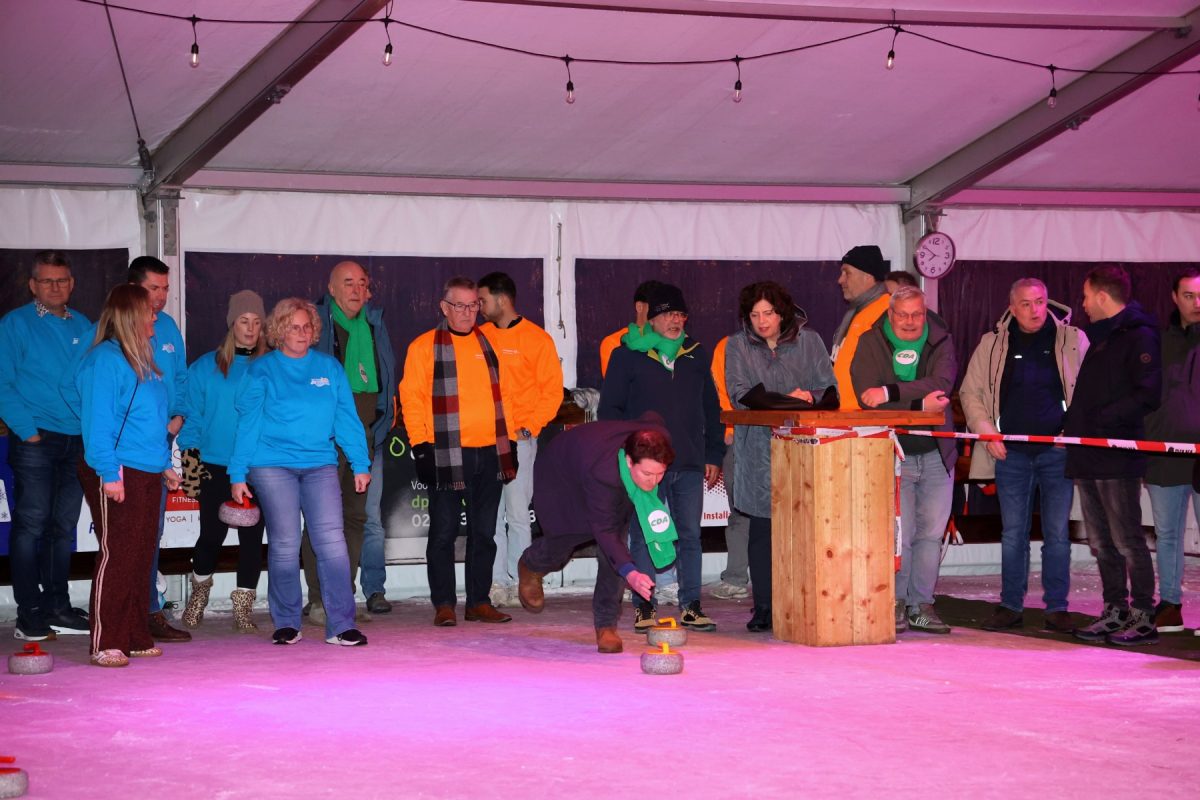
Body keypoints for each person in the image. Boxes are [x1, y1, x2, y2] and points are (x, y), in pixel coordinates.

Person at [229, 297, 371, 647]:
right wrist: (237, 473)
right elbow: (247, 422)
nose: (302, 332)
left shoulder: (329, 368)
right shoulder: (261, 370)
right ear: (279, 330)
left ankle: (341, 625)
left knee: (332, 542)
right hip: (272, 464)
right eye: (294, 327)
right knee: (285, 542)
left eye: (307, 326)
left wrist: (360, 463)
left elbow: (347, 419)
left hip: (320, 463)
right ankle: (287, 623)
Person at [959, 278, 1088, 634]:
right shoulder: (991, 344)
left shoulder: (1073, 340)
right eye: (1027, 304)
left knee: (1057, 534)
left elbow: (1091, 391)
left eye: (1040, 301)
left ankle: (1058, 608)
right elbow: (970, 393)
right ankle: (1010, 606)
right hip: (1010, 455)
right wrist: (987, 431)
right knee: (1013, 533)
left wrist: (1072, 431)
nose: (1035, 310)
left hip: (1058, 453)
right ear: (1012, 308)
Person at [599, 282, 725, 632]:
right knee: (643, 534)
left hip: (689, 460)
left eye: (681, 314)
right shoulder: (626, 355)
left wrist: (714, 453)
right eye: (667, 314)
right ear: (651, 318)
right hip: (645, 467)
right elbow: (609, 412)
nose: (675, 320)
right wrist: (626, 458)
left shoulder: (696, 354)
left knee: (690, 535)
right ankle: (644, 607)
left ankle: (692, 605)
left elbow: (711, 408)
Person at [399, 277, 518, 627]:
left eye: (473, 305)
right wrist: (420, 446)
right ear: (444, 307)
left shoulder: (489, 343)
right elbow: (412, 399)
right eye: (459, 305)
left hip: (490, 451)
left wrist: (510, 440)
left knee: (484, 533)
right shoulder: (423, 347)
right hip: (446, 453)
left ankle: (479, 601)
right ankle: (444, 604)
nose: (467, 312)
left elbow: (505, 397)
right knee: (443, 533)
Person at [75, 284, 180, 667]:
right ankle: (106, 640)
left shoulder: (145, 361)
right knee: (118, 554)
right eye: (149, 311)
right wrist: (109, 473)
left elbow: (150, 423)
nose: (155, 316)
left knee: (140, 554)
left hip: (147, 470)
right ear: (131, 316)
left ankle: (134, 636)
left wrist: (164, 464)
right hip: (117, 469)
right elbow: (98, 424)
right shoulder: (104, 360)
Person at [725, 282, 836, 632]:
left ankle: (804, 604)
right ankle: (764, 607)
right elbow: (742, 395)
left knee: (805, 531)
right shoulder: (737, 345)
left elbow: (830, 392)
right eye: (754, 315)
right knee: (762, 531)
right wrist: (795, 400)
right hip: (757, 451)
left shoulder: (810, 342)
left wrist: (808, 398)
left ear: (782, 312)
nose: (762, 321)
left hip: (804, 450)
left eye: (768, 313)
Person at [850, 286, 957, 634]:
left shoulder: (941, 339)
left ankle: (921, 605)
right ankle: (895, 602)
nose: (910, 321)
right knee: (900, 535)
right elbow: (866, 397)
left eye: (917, 314)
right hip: (894, 455)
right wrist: (918, 405)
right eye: (903, 315)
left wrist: (889, 392)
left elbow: (941, 384)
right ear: (890, 314)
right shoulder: (870, 342)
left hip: (938, 454)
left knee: (931, 535)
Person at [1064, 265, 1162, 646]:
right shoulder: (1101, 336)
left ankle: (1143, 615)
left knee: (1127, 539)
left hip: (1117, 455)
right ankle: (1114, 609)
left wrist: (1103, 420)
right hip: (1088, 453)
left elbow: (1148, 394)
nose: (1084, 304)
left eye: (1087, 296)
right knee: (1101, 541)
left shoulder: (1138, 335)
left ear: (1103, 296)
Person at [515, 417, 669, 653]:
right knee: (564, 541)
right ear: (629, 461)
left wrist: (624, 566)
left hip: (599, 464)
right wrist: (631, 573)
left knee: (614, 554)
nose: (654, 481)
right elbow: (604, 530)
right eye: (648, 474)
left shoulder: (659, 441)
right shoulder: (604, 475)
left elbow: (652, 415)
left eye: (660, 474)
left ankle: (606, 624)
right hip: (561, 474)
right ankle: (530, 564)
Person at [0, 251, 93, 640]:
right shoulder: (15, 324)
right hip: (36, 439)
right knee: (31, 525)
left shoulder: (84, 324)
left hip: (78, 440)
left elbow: (92, 381)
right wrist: (28, 432)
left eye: (62, 280)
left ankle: (57, 607)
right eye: (47, 281)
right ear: (33, 285)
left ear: (72, 284)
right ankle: (29, 612)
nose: (55, 287)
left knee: (63, 527)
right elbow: (3, 382)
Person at [303, 261, 397, 623]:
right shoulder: (314, 325)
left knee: (357, 517)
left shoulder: (374, 324)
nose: (357, 290)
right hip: (325, 437)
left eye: (362, 283)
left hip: (366, 433)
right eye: (348, 283)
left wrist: (381, 420)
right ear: (331, 289)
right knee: (321, 519)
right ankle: (318, 600)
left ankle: (342, 597)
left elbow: (386, 377)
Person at [177, 291, 268, 632]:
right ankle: (198, 595)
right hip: (214, 464)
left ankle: (243, 607)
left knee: (252, 539)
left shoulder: (270, 366)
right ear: (232, 324)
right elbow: (193, 416)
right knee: (211, 536)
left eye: (257, 322)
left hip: (257, 466)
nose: (251, 329)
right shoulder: (205, 367)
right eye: (244, 321)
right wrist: (190, 462)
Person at [477, 271, 563, 608]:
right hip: (484, 440)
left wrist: (530, 427)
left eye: (483, 300)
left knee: (517, 514)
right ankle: (495, 582)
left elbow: (552, 392)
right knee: (490, 515)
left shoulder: (537, 339)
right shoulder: (479, 336)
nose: (479, 307)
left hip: (518, 441)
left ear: (502, 300)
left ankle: (519, 581)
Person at [127, 256, 192, 644]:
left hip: (163, 438)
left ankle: (150, 610)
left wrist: (178, 416)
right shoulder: (111, 329)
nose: (162, 296)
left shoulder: (166, 326)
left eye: (166, 288)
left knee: (152, 529)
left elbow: (180, 377)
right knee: (127, 532)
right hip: (129, 444)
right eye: (154, 288)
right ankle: (126, 613)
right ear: (133, 287)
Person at [1144, 268, 1200, 634]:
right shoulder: (1156, 341)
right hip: (1164, 451)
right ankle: (1169, 605)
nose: (1197, 302)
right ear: (1175, 298)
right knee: (1167, 534)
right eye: (1189, 295)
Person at [708, 335, 752, 602]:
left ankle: (783, 577)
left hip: (783, 437)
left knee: (785, 515)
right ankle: (736, 578)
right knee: (739, 511)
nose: (763, 319)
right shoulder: (728, 346)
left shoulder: (796, 345)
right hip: (739, 437)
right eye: (755, 315)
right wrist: (729, 427)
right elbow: (718, 391)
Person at [832, 245, 890, 410]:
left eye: (847, 273)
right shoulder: (858, 311)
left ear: (868, 276)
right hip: (847, 413)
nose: (840, 280)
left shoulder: (887, 312)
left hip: (866, 416)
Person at [598, 280, 664, 379]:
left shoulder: (673, 340)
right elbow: (615, 384)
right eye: (656, 307)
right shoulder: (613, 343)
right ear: (639, 307)